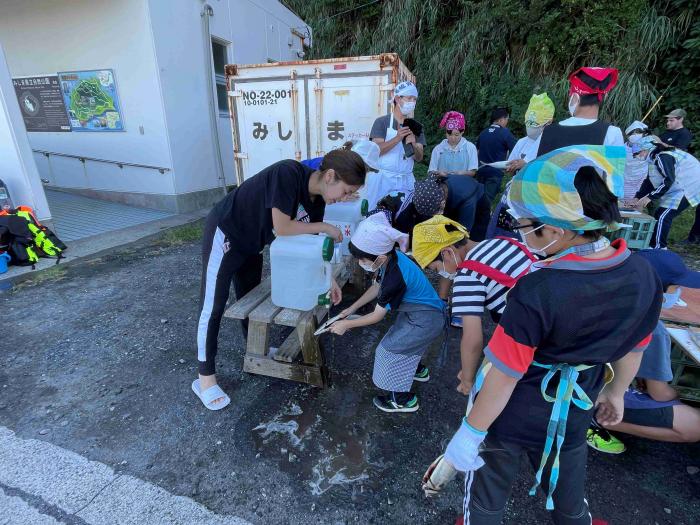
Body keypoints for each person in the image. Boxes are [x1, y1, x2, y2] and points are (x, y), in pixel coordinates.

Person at [428, 145, 662, 525]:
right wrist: (616, 392)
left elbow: (504, 376)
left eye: (523, 226)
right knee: (568, 496)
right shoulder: (642, 273)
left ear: (553, 230)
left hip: (511, 415)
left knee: (487, 498)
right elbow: (637, 344)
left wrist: (468, 435)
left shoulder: (538, 290)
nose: (520, 234)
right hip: (576, 406)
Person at [193, 152, 366, 410]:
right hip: (227, 231)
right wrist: (328, 228)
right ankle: (205, 378)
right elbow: (282, 228)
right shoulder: (288, 173)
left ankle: (254, 350)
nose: (344, 198)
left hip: (253, 244)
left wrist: (329, 279)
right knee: (213, 305)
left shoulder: (317, 202)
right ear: (330, 176)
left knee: (248, 295)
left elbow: (312, 248)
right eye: (345, 190)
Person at [327, 213, 446, 413]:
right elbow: (376, 288)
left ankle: (402, 400)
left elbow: (377, 316)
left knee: (388, 351)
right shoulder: (392, 258)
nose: (359, 263)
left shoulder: (394, 277)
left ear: (379, 257)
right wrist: (351, 309)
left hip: (426, 320)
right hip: (421, 315)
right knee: (403, 342)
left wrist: (346, 325)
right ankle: (417, 370)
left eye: (362, 259)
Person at [586, 248, 700, 452]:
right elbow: (660, 394)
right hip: (598, 394)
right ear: (657, 288)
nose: (679, 292)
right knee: (695, 425)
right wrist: (682, 395)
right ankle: (590, 420)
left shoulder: (602, 297)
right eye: (676, 287)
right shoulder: (653, 328)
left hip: (577, 384)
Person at [412, 215, 534, 390]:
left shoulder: (467, 277)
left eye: (436, 268)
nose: (442, 274)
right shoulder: (502, 241)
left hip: (532, 330)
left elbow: (472, 338)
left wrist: (467, 378)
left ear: (447, 252)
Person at [486, 93, 556, 239]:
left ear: (548, 123)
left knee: (525, 236)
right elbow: (510, 166)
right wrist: (512, 166)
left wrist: (526, 164)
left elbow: (549, 172)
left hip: (534, 200)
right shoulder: (522, 142)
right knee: (503, 232)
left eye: (535, 125)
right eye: (529, 124)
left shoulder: (552, 144)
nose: (531, 128)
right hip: (512, 196)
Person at [632, 135, 700, 249]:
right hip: (680, 185)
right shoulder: (654, 158)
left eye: (638, 153)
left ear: (647, 149)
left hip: (689, 185)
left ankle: (659, 247)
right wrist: (638, 197)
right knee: (660, 214)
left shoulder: (663, 157)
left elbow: (668, 179)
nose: (637, 157)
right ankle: (654, 244)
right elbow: (650, 180)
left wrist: (650, 197)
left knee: (664, 216)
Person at [538, 67, 624, 156]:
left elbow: (537, 167)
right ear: (604, 97)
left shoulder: (548, 131)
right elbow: (616, 169)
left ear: (575, 97)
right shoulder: (612, 133)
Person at [366, 81, 426, 210]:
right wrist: (397, 138)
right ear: (398, 98)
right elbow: (376, 151)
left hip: (407, 180)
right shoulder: (381, 122)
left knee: (405, 218)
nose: (412, 102)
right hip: (384, 180)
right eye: (409, 98)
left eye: (414, 99)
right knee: (380, 216)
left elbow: (419, 157)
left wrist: (414, 144)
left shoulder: (416, 126)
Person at [476, 107, 517, 204]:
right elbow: (516, 150)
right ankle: (484, 219)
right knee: (487, 203)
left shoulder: (483, 133)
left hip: (480, 172)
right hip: (495, 174)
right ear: (501, 119)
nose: (507, 122)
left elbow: (477, 151)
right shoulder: (505, 133)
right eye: (507, 119)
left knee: (478, 199)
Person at [429, 111, 478, 177]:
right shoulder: (438, 149)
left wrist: (459, 174)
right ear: (446, 132)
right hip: (442, 185)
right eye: (449, 134)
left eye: (456, 135)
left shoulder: (470, 147)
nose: (453, 138)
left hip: (464, 184)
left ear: (462, 132)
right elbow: (431, 171)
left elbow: (473, 172)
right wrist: (439, 174)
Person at [622, 121, 651, 200]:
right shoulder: (622, 148)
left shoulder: (648, 146)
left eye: (637, 132)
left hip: (641, 178)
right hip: (625, 178)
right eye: (632, 133)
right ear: (628, 135)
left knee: (637, 201)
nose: (635, 135)